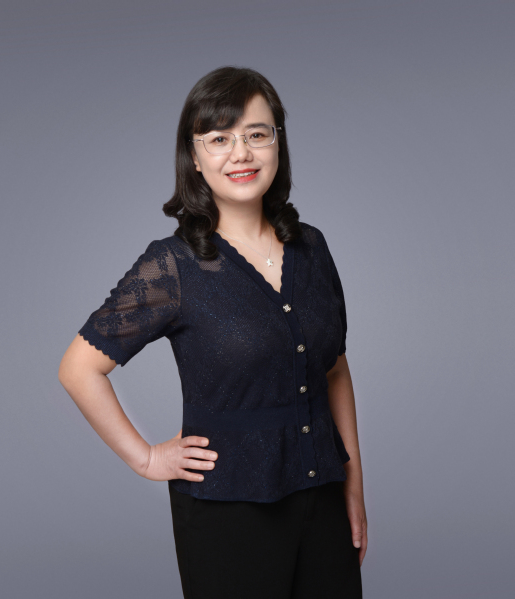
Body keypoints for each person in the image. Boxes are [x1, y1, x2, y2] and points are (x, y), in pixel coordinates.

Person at [58, 65, 367, 599]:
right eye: (219, 139)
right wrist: (146, 458)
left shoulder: (312, 247)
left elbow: (334, 370)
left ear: (278, 143)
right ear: (195, 158)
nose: (241, 153)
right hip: (229, 513)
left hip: (323, 499)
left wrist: (354, 486)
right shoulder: (173, 266)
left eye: (256, 134)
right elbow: (78, 369)